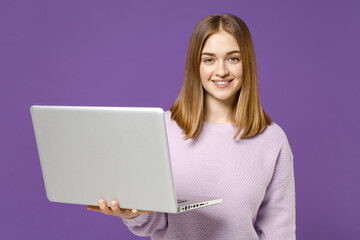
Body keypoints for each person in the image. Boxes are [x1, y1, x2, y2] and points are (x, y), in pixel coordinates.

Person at [87, 13, 296, 239]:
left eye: (233, 58)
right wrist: (131, 214)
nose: (221, 70)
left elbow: (279, 232)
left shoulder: (272, 140)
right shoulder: (162, 130)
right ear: (195, 65)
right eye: (209, 59)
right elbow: (153, 222)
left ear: (247, 62)